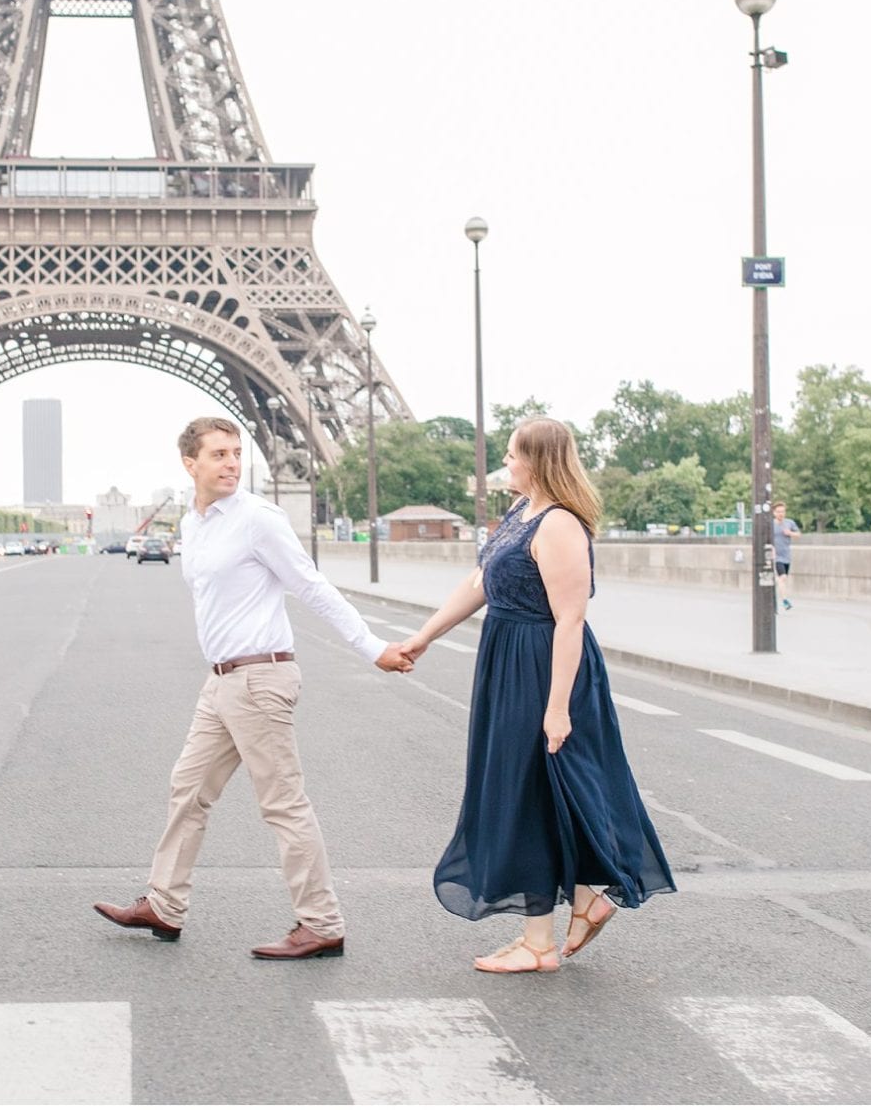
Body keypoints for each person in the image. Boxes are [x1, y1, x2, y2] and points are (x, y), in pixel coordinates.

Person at [94, 417, 415, 960]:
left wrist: (371, 648)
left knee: (283, 804)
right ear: (189, 463)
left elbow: (310, 586)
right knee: (188, 788)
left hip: (260, 677)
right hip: (221, 681)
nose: (231, 463)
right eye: (218, 454)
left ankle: (321, 922)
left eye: (236, 453)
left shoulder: (258, 520)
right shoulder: (194, 525)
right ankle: (165, 904)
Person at [400, 416, 674, 973]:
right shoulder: (519, 516)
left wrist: (556, 707)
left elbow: (570, 620)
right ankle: (578, 905)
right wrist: (422, 638)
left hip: (543, 668)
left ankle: (541, 940)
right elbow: (479, 586)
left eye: (512, 455)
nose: (506, 464)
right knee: (533, 790)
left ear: (537, 461)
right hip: (509, 663)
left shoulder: (558, 526)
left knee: (531, 791)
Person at [772, 500, 801, 610]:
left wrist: (790, 533)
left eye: (783, 511)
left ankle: (775, 583)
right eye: (778, 512)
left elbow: (798, 534)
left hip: (786, 555)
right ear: (774, 513)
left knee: (782, 579)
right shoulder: (771, 524)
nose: (781, 514)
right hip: (776, 556)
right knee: (782, 577)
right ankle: (785, 601)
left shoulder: (790, 523)